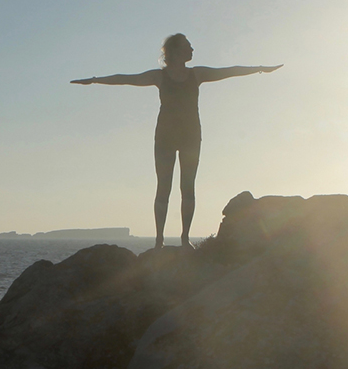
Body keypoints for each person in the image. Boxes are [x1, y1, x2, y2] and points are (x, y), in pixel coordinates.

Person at [72, 34, 282, 249]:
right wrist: (95, 80)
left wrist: (259, 68)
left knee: (188, 188)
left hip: (191, 136)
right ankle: (159, 240)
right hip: (165, 137)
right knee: (163, 188)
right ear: (175, 51)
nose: (192, 49)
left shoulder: (197, 74)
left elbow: (229, 71)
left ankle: (184, 238)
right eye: (188, 46)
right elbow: (125, 78)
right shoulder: (159, 76)